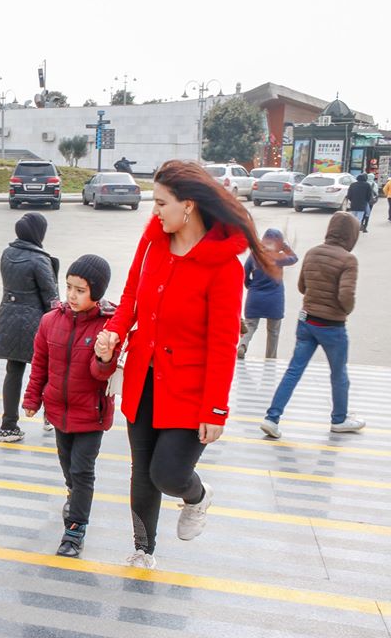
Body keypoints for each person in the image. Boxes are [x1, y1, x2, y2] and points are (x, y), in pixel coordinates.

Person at [96, 159, 270, 570]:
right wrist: (114, 333)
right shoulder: (153, 242)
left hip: (191, 391)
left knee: (168, 474)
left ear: (188, 205)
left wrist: (215, 408)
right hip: (143, 378)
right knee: (142, 471)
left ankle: (198, 496)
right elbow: (131, 298)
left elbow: (224, 342)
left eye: (160, 203)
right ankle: (143, 550)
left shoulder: (223, 266)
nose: (154, 212)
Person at [22, 255, 119, 558]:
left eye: (81, 289)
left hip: (91, 413)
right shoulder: (51, 321)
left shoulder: (107, 327)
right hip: (58, 411)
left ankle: (74, 530)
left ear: (97, 292)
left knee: (82, 470)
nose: (72, 295)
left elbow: (102, 373)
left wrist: (104, 356)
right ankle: (73, 495)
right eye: (69, 287)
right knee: (68, 468)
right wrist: (32, 398)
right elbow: (40, 363)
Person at [261, 212, 365, 438]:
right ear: (351, 235)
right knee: (339, 374)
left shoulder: (313, 252)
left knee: (293, 371)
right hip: (332, 327)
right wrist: (344, 310)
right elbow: (346, 296)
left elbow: (301, 287)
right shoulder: (348, 260)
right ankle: (339, 419)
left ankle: (272, 418)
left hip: (306, 322)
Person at [0, 212, 59, 442]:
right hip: (35, 322)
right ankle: (50, 417)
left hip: (8, 318)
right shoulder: (40, 260)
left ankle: (8, 426)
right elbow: (50, 296)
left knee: (13, 371)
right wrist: (58, 322)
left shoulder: (7, 254)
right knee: (46, 369)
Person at [237, 228, 298, 359]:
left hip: (255, 298)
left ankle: (242, 345)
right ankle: (270, 359)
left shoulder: (254, 255)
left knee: (250, 326)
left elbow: (244, 273)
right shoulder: (279, 257)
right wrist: (285, 247)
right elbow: (294, 258)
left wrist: (250, 286)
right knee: (273, 332)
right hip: (274, 300)